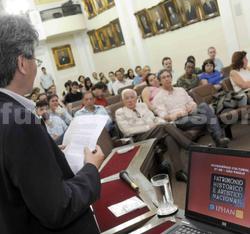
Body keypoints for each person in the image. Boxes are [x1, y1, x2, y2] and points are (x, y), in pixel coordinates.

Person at [0, 14, 104, 234]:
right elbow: (58, 208)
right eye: (35, 61)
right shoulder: (20, 121)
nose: (36, 68)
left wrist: (47, 153)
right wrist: (91, 169)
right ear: (22, 63)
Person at [116, 89, 193, 182]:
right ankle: (190, 146)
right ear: (123, 100)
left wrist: (161, 122)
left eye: (132, 97)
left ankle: (179, 172)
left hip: (156, 132)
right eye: (127, 98)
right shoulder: (120, 112)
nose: (130, 100)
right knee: (163, 127)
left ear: (136, 98)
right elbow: (127, 131)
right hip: (139, 138)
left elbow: (154, 118)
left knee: (169, 137)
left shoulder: (142, 106)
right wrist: (149, 127)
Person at [152, 69, 230, 147]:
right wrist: (178, 114)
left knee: (203, 106)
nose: (167, 79)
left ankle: (219, 140)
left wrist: (192, 106)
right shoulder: (158, 98)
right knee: (209, 116)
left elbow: (192, 102)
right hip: (179, 120)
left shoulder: (180, 90)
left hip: (191, 113)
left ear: (171, 78)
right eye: (163, 77)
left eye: (168, 76)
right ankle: (219, 139)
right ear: (160, 81)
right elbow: (164, 116)